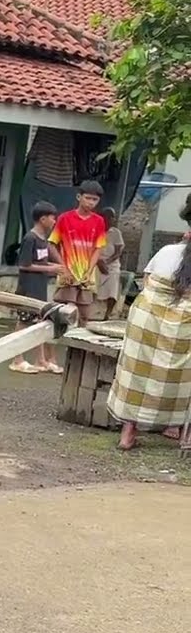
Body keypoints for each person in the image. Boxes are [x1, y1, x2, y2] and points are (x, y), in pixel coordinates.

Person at [108, 193, 191, 451]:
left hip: (147, 317)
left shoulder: (166, 252)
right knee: (184, 377)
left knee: (137, 374)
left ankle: (128, 433)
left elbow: (147, 282)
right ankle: (183, 433)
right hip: (184, 325)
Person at [10, 201, 64, 374]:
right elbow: (24, 264)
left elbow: (40, 262)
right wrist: (51, 269)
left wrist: (54, 267)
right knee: (24, 323)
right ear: (42, 219)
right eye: (52, 218)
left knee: (39, 324)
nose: (54, 221)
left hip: (40, 288)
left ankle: (40, 359)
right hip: (28, 288)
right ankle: (17, 359)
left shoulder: (43, 240)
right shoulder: (30, 238)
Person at [48, 180, 107, 325]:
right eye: (88, 198)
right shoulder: (64, 218)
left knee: (84, 315)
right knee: (63, 314)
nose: (91, 202)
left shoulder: (99, 221)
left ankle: (78, 341)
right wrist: (63, 268)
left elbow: (98, 248)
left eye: (95, 199)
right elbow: (51, 244)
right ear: (79, 197)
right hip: (67, 276)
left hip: (86, 277)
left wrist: (89, 271)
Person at [96, 206, 125, 320]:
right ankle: (93, 312)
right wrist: (99, 262)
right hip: (95, 262)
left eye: (113, 217)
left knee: (113, 286)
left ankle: (107, 314)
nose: (112, 220)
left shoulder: (116, 232)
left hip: (112, 264)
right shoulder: (95, 231)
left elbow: (118, 252)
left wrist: (107, 262)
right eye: (109, 217)